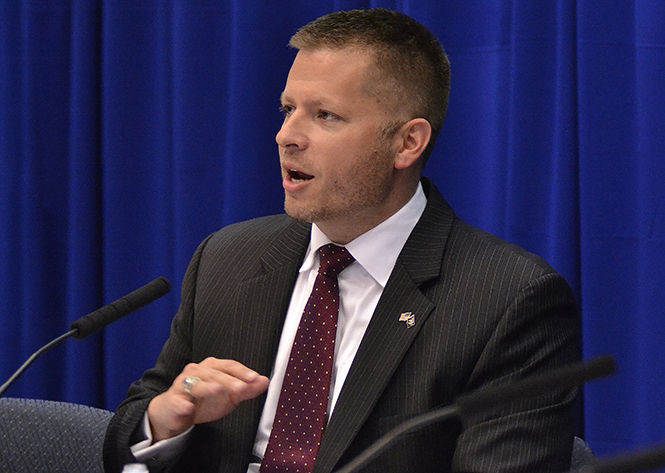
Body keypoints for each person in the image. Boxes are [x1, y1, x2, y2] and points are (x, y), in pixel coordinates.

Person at [104, 8, 580, 473]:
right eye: (288, 109)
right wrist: (164, 423)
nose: (286, 136)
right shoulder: (228, 258)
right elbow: (131, 431)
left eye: (326, 115)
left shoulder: (508, 301)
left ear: (407, 143)